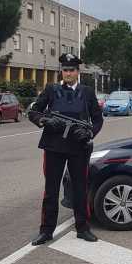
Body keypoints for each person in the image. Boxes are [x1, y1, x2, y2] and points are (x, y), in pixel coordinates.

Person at [29, 53, 104, 245]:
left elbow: (97, 119)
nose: (68, 73)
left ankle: (83, 228)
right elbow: (34, 111)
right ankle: (46, 231)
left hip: (79, 147)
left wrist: (89, 134)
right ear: (61, 71)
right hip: (54, 146)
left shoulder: (87, 92)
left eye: (71, 70)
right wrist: (44, 120)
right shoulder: (51, 90)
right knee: (51, 190)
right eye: (65, 70)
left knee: (80, 189)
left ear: (78, 72)